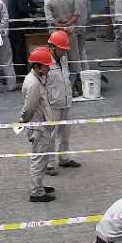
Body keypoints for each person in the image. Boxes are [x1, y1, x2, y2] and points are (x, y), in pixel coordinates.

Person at [19, 46, 58, 201]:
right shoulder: (34, 84)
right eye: (46, 66)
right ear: (37, 66)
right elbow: (29, 108)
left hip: (40, 125)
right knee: (39, 159)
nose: (48, 68)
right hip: (39, 127)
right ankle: (36, 192)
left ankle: (39, 186)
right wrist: (24, 120)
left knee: (42, 158)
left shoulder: (36, 79)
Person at [43, 31, 80, 174]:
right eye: (61, 49)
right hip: (52, 104)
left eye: (65, 49)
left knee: (65, 133)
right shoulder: (44, 62)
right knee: (51, 135)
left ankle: (64, 158)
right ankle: (49, 164)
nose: (64, 51)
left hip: (65, 101)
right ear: (52, 47)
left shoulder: (63, 59)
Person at [44, 0, 82, 91]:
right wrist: (67, 25)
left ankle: (63, 87)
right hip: (70, 32)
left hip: (56, 36)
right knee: (74, 59)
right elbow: (76, 14)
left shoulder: (48, 0)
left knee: (59, 61)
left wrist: (60, 27)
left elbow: (50, 20)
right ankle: (78, 86)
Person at [0, 0, 35, 78]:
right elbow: (22, 8)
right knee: (19, 49)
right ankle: (20, 73)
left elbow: (30, 2)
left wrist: (37, 8)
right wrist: (35, 11)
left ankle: (18, 71)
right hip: (17, 25)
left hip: (14, 23)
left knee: (16, 49)